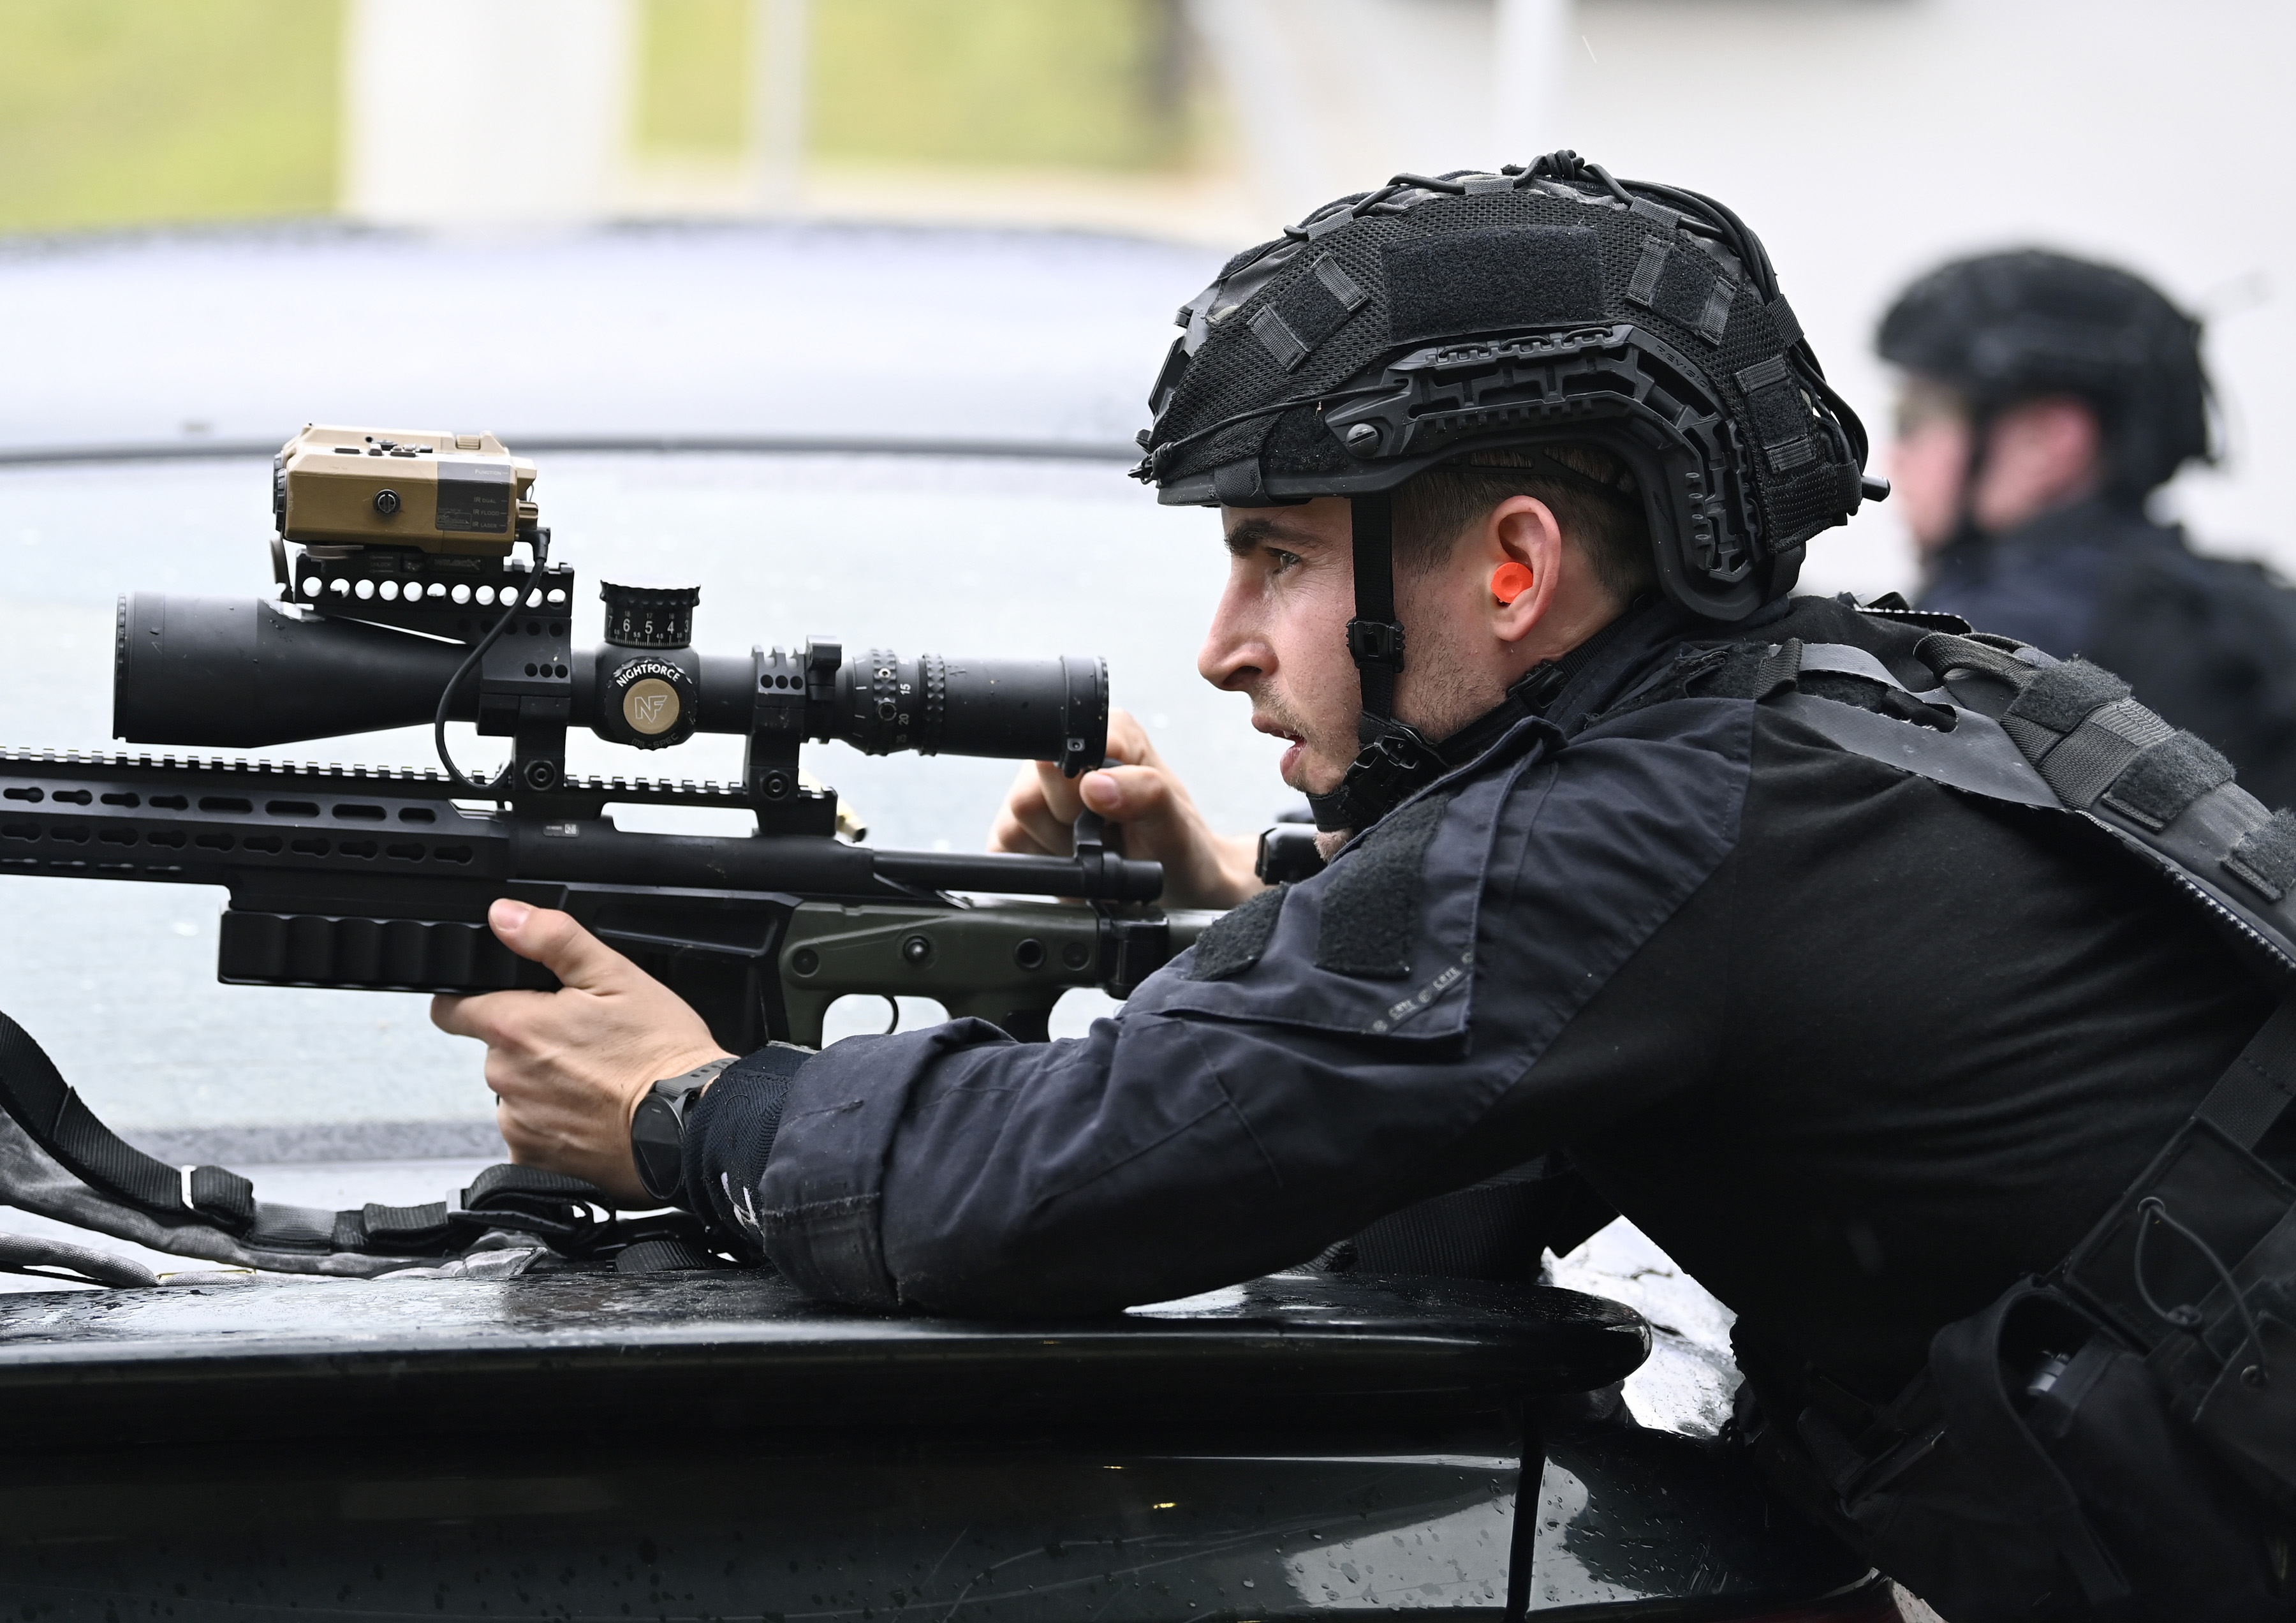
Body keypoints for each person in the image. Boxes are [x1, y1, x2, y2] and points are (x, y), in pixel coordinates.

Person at [432, 155, 2293, 1617]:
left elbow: (1071, 1180)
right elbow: (1441, 1119)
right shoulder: (1838, 713)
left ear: (1510, 567)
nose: (1227, 643)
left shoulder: (1633, 828)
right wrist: (1259, 912)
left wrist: (686, 1109)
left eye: (1274, 556)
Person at [1881, 249, 2296, 808]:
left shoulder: (2004, 634)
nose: (1895, 454)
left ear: (2048, 442)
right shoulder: (2237, 612)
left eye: (1918, 417)